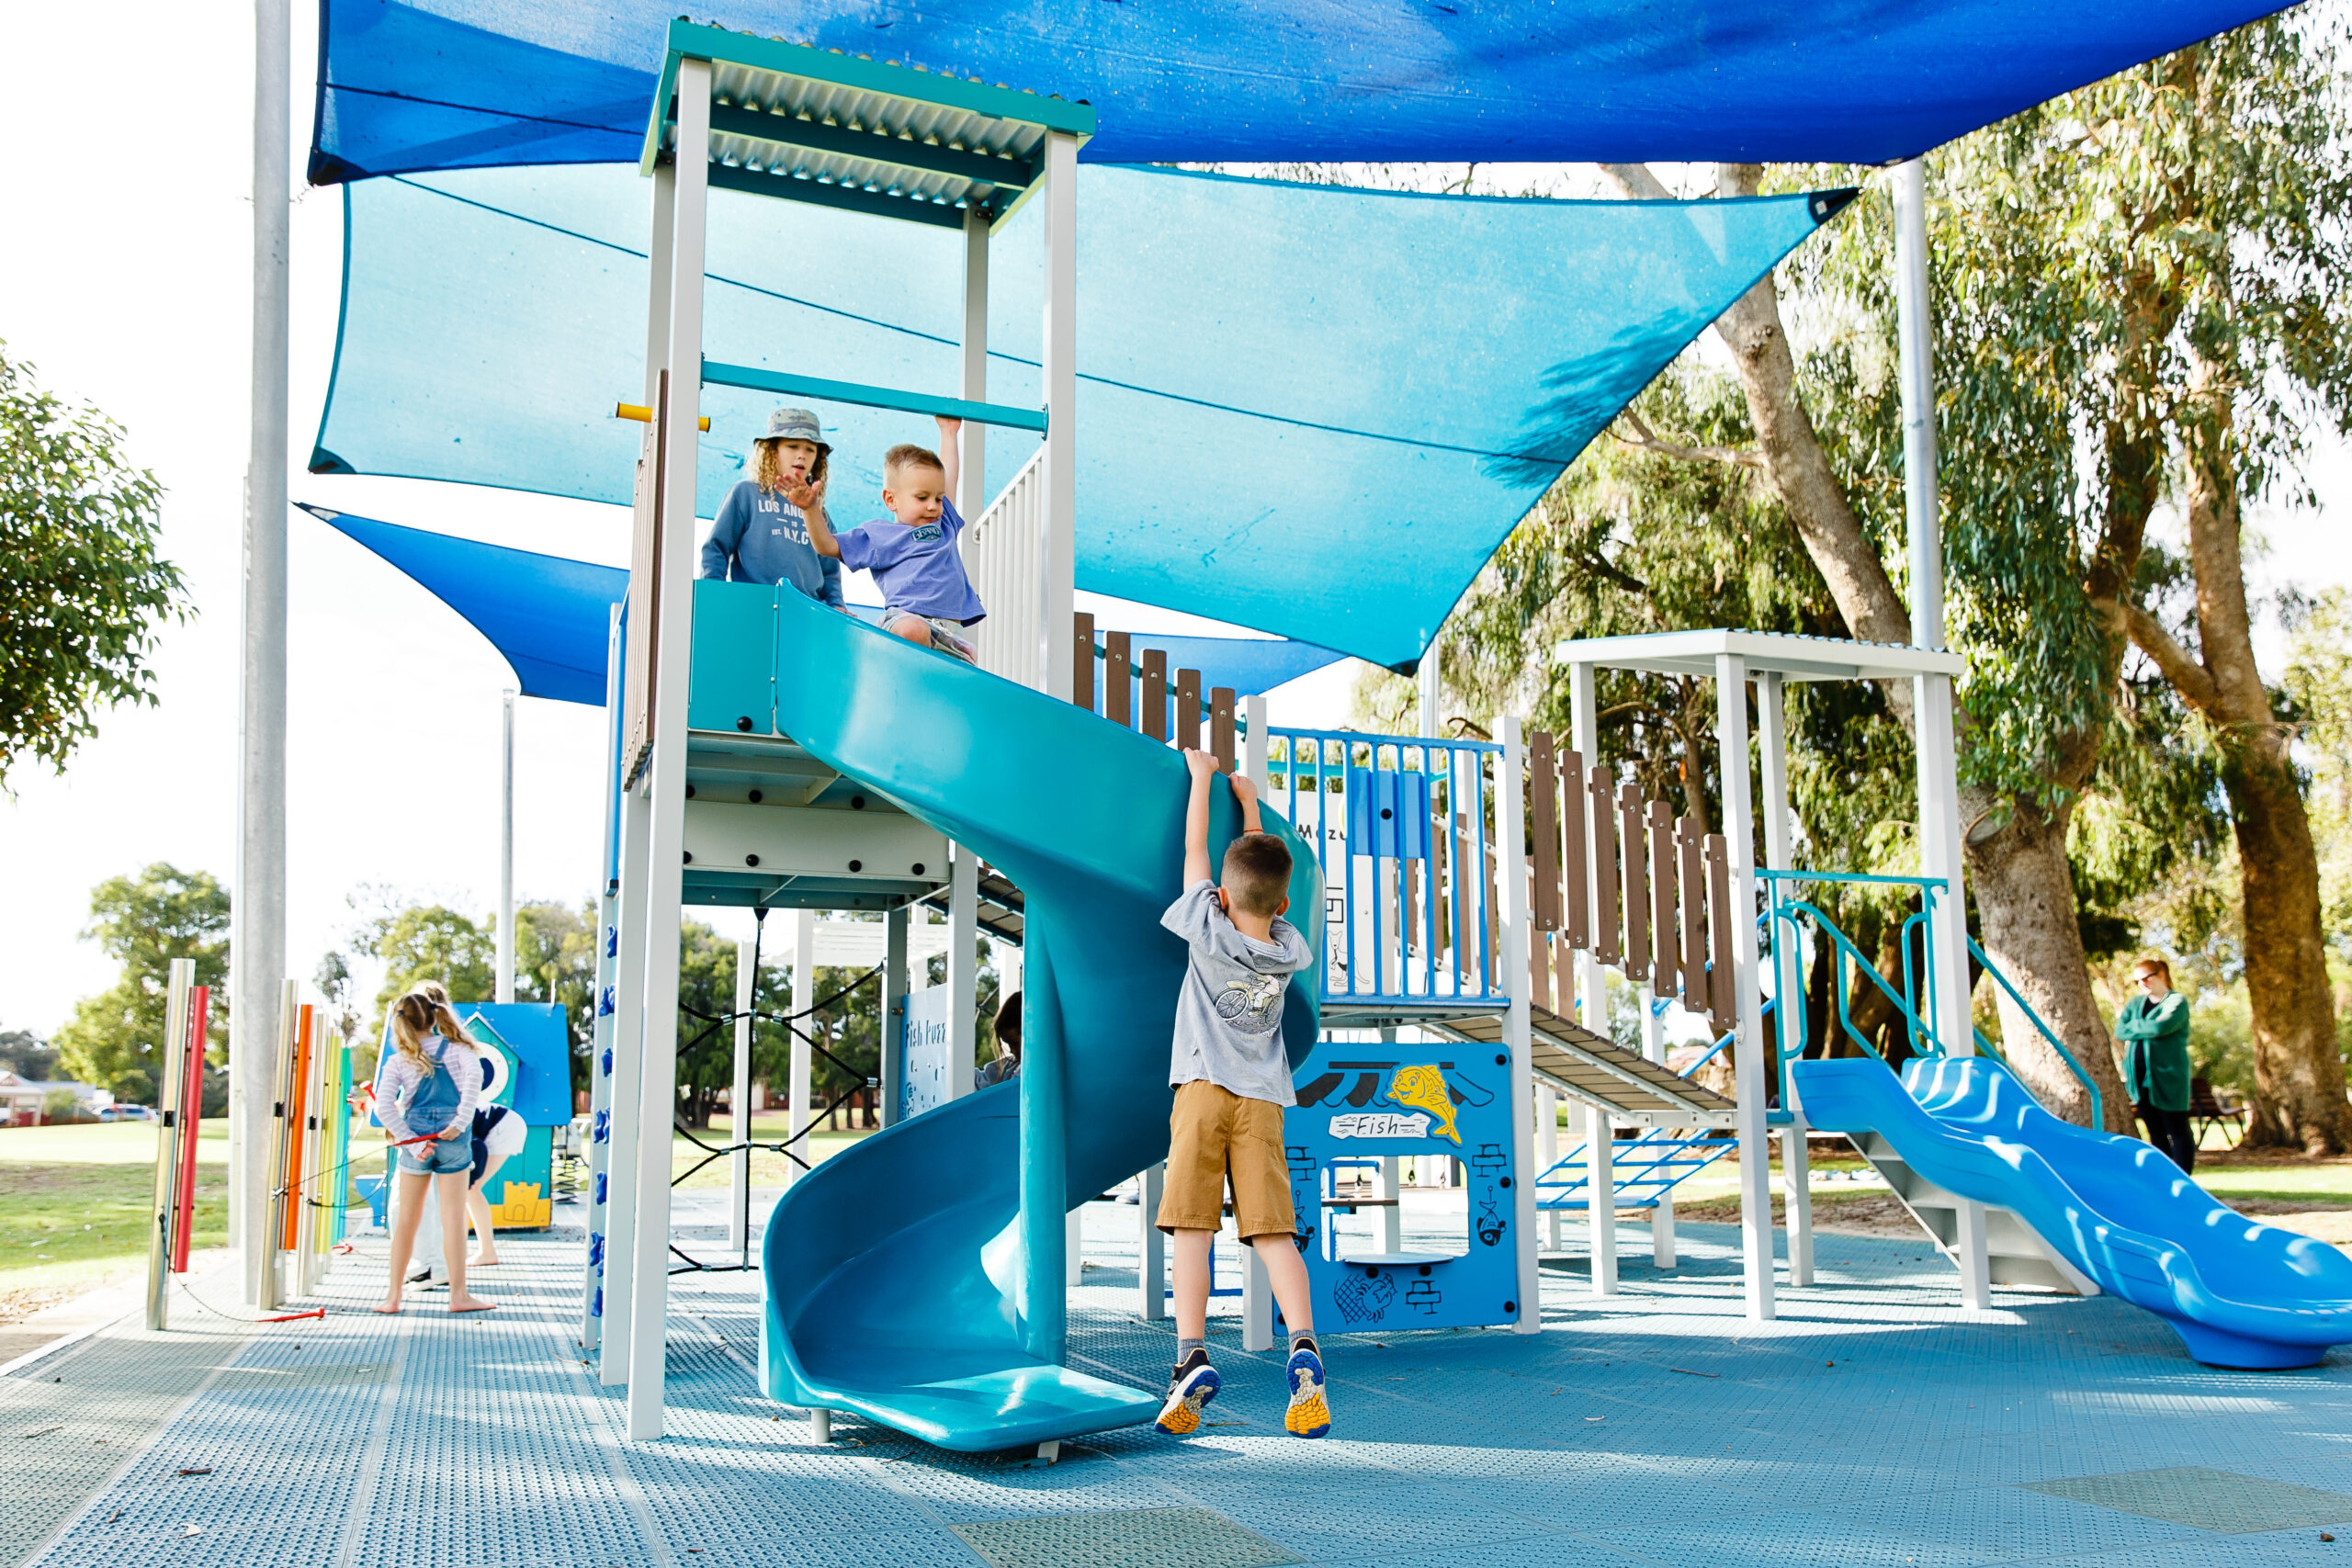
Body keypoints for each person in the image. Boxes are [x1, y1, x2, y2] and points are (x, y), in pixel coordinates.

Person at [1155, 750, 1325, 1439]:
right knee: (1274, 1233)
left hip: (1201, 1087)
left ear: (1222, 896)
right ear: (1283, 904)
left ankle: (1190, 1354)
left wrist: (1201, 779)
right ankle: (1306, 1348)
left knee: (1192, 1228)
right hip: (1261, 1100)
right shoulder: (1289, 946)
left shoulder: (1206, 925)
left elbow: (1198, 848)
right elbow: (1259, 866)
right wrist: (1251, 804)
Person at [794, 417, 983, 662]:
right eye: (922, 497)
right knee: (914, 630)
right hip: (905, 622)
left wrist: (949, 433)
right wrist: (810, 509)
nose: (933, 506)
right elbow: (827, 545)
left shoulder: (943, 524)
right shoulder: (879, 535)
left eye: (937, 498)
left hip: (948, 633)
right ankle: (883, 659)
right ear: (891, 500)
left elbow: (950, 478)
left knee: (969, 665)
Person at [371, 990, 498, 1314]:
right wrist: (459, 1122)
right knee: (454, 1218)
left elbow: (384, 1106)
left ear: (401, 1022)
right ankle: (459, 1296)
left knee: (406, 1223)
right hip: (453, 1140)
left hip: (418, 1141)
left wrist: (412, 1142)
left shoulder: (399, 1060)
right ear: (433, 1016)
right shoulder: (459, 1050)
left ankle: (393, 1297)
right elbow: (475, 1079)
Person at [697, 406, 847, 610]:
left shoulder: (818, 512)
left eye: (810, 449)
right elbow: (716, 548)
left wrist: (837, 606)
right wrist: (714, 596)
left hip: (809, 613)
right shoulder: (746, 494)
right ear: (772, 451)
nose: (802, 455)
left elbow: (830, 573)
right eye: (792, 446)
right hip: (753, 607)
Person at [2117, 956, 2196, 1173]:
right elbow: (2120, 1031)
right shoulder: (2135, 1004)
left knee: (2177, 1129)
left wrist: (2136, 1026)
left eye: (2145, 978)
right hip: (2140, 1081)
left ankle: (2184, 1178)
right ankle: (2165, 1178)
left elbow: (2161, 1028)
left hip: (2169, 1078)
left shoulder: (2176, 1002)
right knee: (2155, 1132)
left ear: (2161, 974)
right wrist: (2145, 1026)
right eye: (2137, 982)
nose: (2142, 984)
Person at [976, 991, 1022, 1090]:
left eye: (1015, 1043)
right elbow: (982, 1080)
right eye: (1008, 1044)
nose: (1012, 1050)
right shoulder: (1009, 1068)